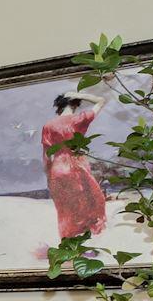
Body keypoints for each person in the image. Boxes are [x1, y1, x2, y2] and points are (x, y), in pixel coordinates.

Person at [41, 91, 108, 241]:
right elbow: (101, 99)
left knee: (65, 209)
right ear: (74, 104)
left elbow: (46, 154)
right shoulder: (79, 119)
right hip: (77, 166)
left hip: (57, 169)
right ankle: (82, 245)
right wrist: (80, 94)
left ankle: (67, 244)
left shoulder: (48, 125)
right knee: (89, 203)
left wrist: (48, 176)